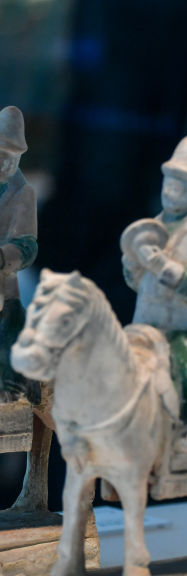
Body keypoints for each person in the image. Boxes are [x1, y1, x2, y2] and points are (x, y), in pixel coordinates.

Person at [121, 135, 187, 454]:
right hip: (143, 322)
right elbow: (136, 283)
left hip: (180, 326)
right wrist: (133, 265)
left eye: (180, 185)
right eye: (169, 182)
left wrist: (162, 266)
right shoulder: (153, 224)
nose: (170, 191)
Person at [0, 106, 37, 402]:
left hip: (3, 282)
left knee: (12, 329)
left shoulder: (23, 195)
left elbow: (27, 246)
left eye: (13, 158)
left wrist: (3, 257)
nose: (6, 164)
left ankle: (10, 388)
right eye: (1, 155)